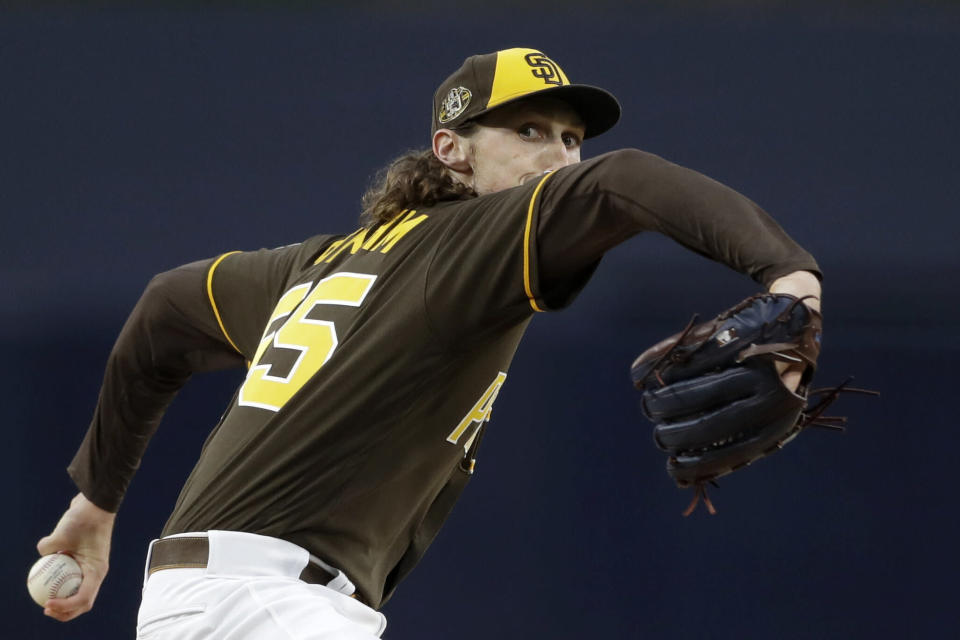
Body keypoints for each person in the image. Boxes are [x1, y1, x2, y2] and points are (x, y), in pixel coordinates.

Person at [36, 47, 822, 638]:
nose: (559, 156)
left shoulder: (318, 264)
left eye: (570, 138)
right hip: (269, 609)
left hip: (232, 604)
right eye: (528, 130)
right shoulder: (474, 239)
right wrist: (792, 282)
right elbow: (630, 180)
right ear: (454, 150)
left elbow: (166, 309)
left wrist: (95, 503)